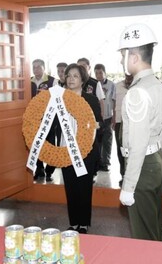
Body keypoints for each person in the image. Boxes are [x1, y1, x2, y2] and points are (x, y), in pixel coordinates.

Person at [118, 23, 162, 241]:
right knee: (153, 226)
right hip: (155, 158)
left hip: (142, 166)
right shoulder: (156, 84)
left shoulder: (137, 92)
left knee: (144, 235)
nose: (122, 61)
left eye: (123, 56)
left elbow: (137, 144)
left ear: (134, 57)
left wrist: (128, 186)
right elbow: (160, 130)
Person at [60, 63, 102, 234]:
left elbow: (99, 124)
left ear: (83, 80)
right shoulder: (60, 99)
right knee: (70, 186)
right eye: (69, 75)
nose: (71, 79)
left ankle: (83, 223)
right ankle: (74, 222)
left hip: (86, 150)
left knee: (84, 186)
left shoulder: (90, 99)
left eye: (75, 76)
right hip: (65, 149)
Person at [31, 59, 58, 181]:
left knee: (50, 144)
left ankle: (49, 171)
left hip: (49, 117)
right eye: (34, 67)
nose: (36, 69)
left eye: (38, 67)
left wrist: (47, 95)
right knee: (37, 143)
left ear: (43, 68)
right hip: (35, 118)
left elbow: (58, 99)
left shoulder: (53, 81)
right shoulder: (29, 82)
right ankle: (39, 169)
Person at [94, 63, 116, 172]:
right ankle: (97, 162)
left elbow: (114, 100)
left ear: (105, 73)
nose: (98, 75)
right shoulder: (93, 85)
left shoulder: (111, 85)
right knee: (97, 141)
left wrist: (114, 117)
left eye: (100, 73)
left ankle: (105, 163)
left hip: (108, 117)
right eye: (96, 73)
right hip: (97, 118)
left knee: (107, 142)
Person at [114, 74, 133, 186]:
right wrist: (113, 119)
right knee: (121, 148)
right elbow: (114, 103)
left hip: (135, 122)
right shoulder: (118, 86)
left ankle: (132, 176)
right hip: (119, 121)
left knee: (133, 149)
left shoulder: (140, 85)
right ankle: (123, 175)